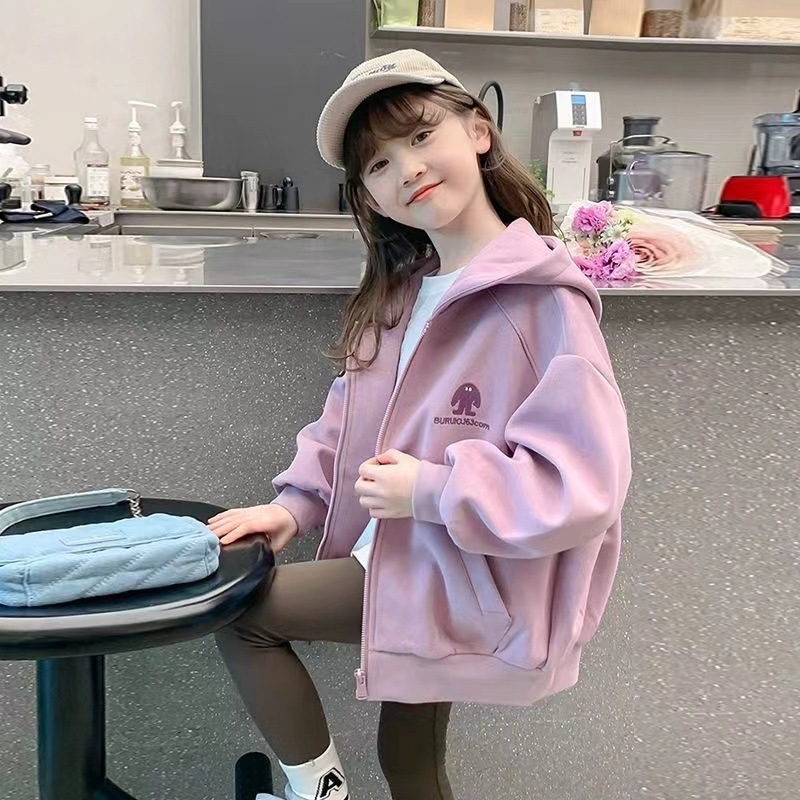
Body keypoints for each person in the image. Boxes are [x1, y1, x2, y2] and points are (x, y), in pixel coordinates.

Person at [209, 49, 632, 800]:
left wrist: (432, 490)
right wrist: (292, 507)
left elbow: (585, 482)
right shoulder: (404, 295)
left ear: (479, 131)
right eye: (378, 164)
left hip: (453, 568)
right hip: (416, 558)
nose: (406, 169)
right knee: (410, 762)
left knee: (245, 615)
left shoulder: (544, 304)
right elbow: (346, 423)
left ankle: (318, 793)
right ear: (368, 196)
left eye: (421, 135)